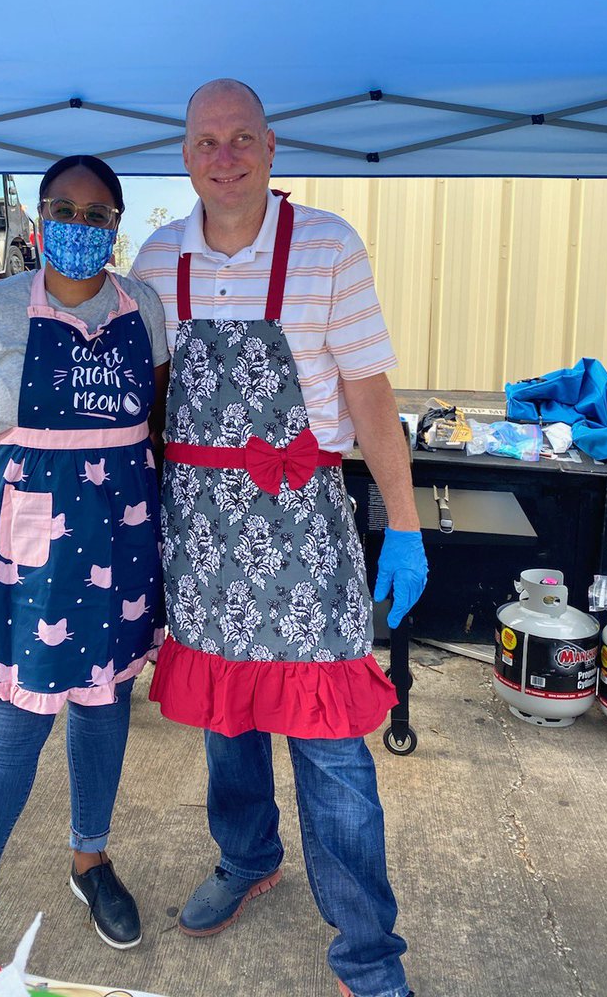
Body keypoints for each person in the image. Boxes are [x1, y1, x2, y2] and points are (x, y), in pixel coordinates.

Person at [131, 80, 427, 997]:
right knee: (226, 721)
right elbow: (148, 402)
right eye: (206, 142)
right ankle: (248, 856)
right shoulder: (157, 259)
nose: (224, 157)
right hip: (201, 538)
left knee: (330, 745)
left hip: (304, 530)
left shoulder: (328, 246)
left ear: (271, 146)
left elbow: (369, 395)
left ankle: (367, 953)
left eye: (241, 139)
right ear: (185, 156)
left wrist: (405, 524)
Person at [0, 155, 169, 955]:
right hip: (26, 551)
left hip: (122, 540)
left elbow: (156, 425)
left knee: (104, 709)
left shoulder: (143, 306)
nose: (78, 226)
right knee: (7, 733)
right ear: (40, 220)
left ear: (116, 227)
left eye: (96, 214)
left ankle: (90, 859)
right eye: (63, 210)